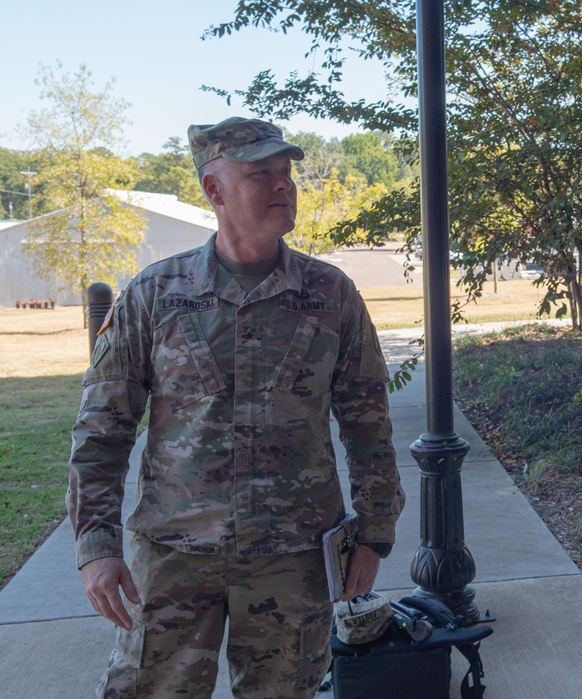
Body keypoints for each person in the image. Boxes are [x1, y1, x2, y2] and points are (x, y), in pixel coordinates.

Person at [67, 116, 405, 698]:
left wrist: (373, 536)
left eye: (286, 173)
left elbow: (368, 424)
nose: (283, 185)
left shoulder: (329, 295)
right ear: (214, 189)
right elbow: (102, 429)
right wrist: (96, 546)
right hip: (174, 558)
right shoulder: (155, 296)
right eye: (260, 174)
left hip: (293, 559)